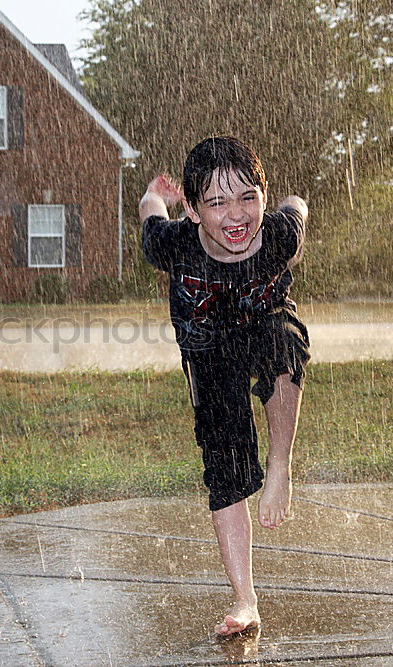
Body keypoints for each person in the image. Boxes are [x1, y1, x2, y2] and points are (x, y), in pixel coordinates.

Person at [139, 136, 309, 636]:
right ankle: (244, 601)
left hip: (264, 324)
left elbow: (297, 207)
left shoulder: (279, 236)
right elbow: (150, 213)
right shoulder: (172, 243)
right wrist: (155, 193)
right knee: (224, 462)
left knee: (283, 341)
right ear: (192, 209)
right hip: (207, 349)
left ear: (262, 195)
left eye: (247, 197)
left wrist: (286, 206)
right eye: (216, 202)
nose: (236, 216)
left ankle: (280, 465)